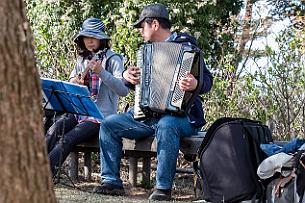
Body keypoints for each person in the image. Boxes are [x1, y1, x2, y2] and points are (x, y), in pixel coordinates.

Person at [94, 3, 213, 201]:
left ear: (155, 24)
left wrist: (195, 84)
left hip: (181, 118)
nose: (141, 32)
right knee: (108, 125)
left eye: (142, 27)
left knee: (167, 125)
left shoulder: (187, 46)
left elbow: (207, 81)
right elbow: (139, 85)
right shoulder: (146, 52)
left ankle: (162, 189)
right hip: (147, 116)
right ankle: (111, 182)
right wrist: (128, 77)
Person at [45, 17, 129, 177]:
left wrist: (101, 72)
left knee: (68, 139)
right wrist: (74, 81)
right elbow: (70, 81)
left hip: (99, 117)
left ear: (101, 38)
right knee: (54, 129)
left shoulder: (113, 59)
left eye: (94, 37)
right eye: (86, 37)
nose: (90, 41)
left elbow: (123, 90)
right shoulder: (82, 60)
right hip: (78, 112)